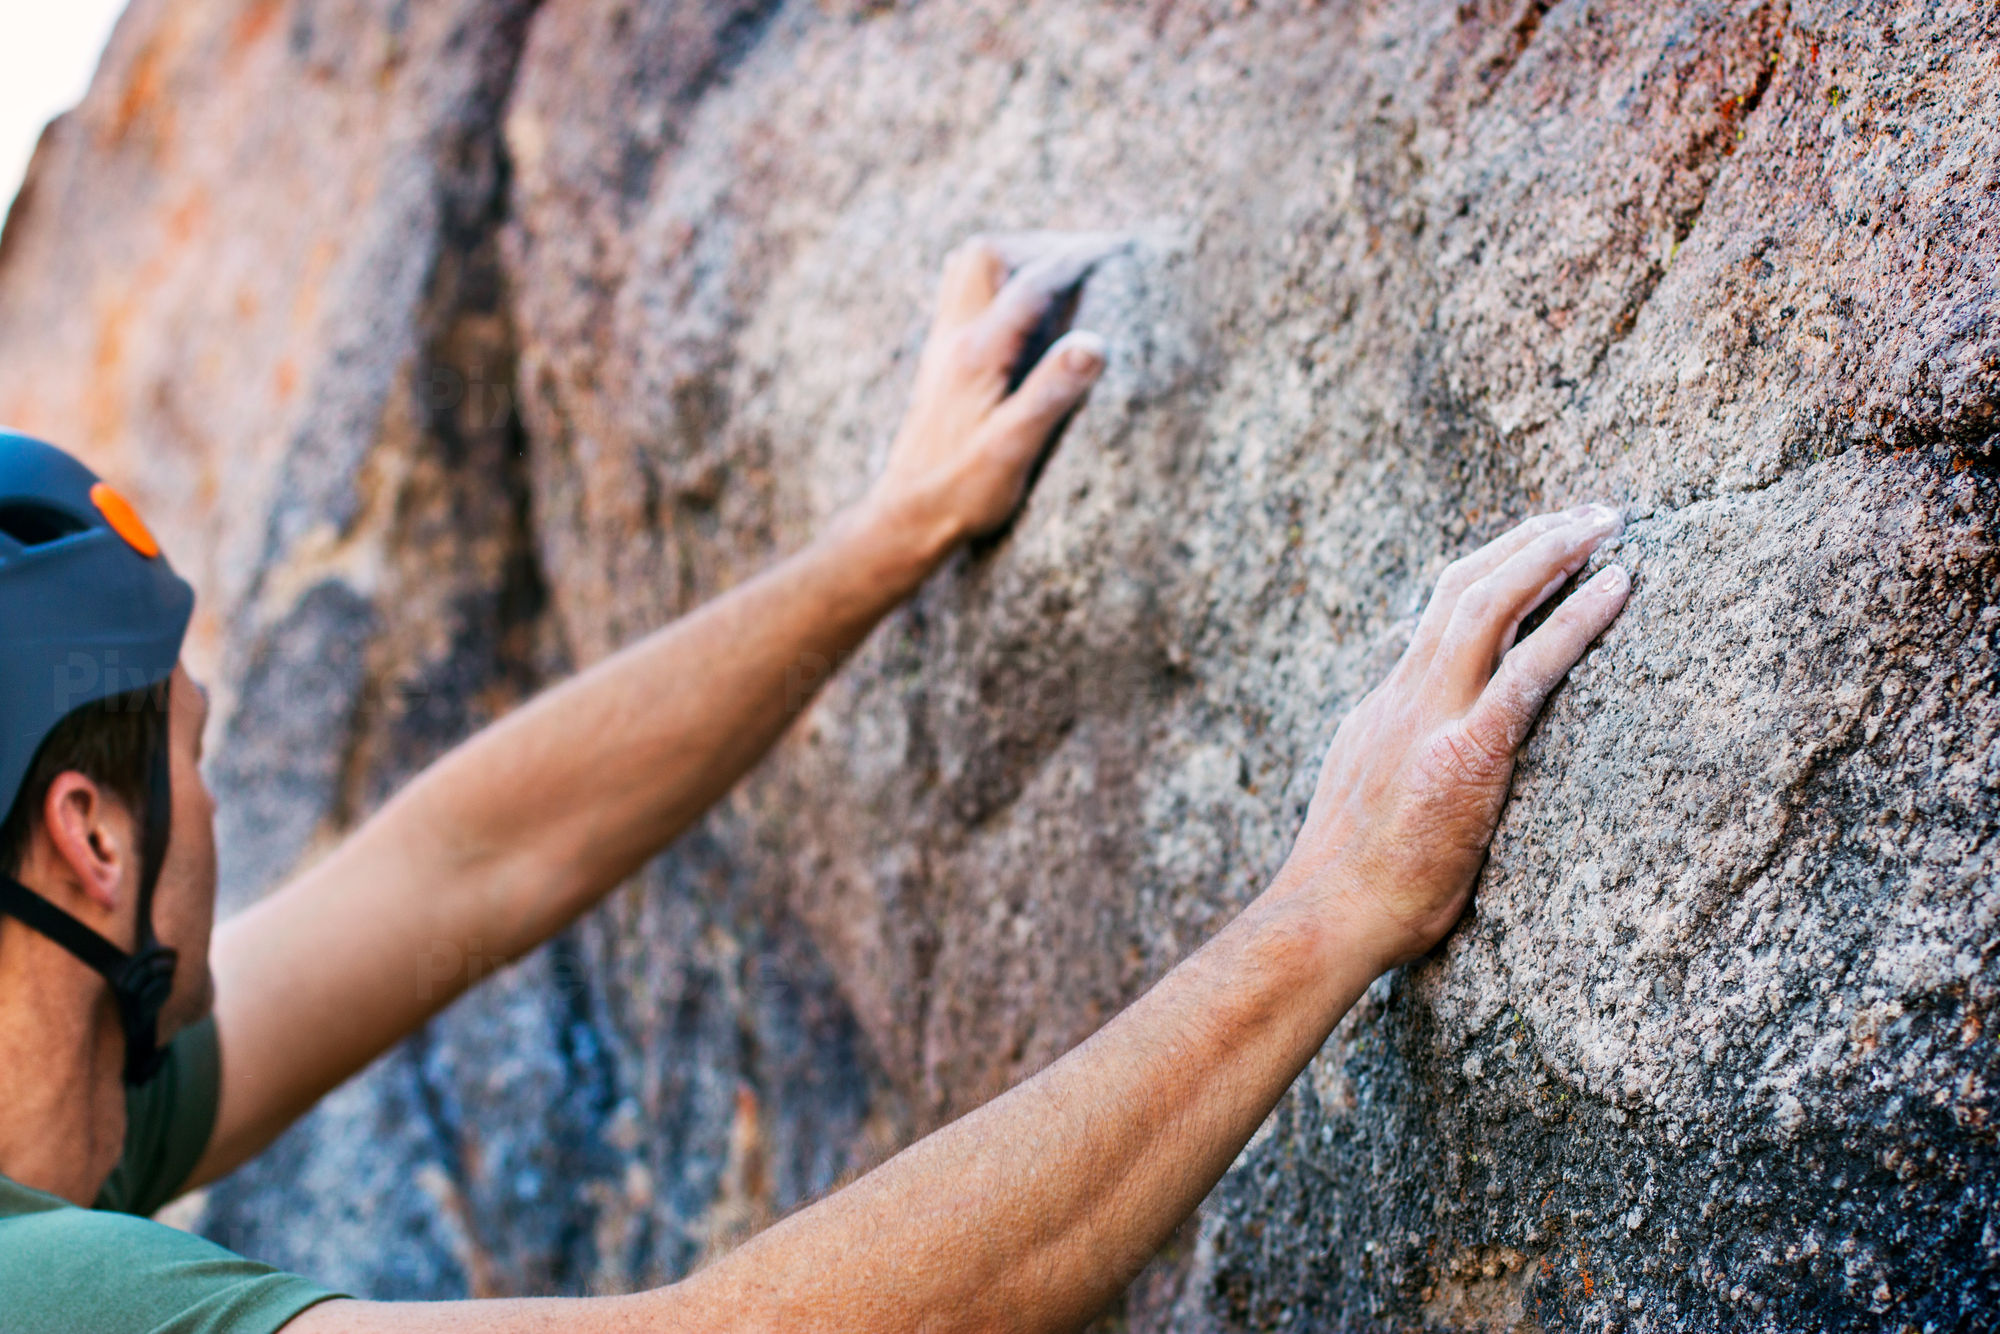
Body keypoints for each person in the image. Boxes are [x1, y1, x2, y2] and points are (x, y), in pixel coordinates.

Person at [0, 233, 1629, 1333]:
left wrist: (884, 538)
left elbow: (466, 863)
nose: (214, 800)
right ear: (90, 841)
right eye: (192, 753)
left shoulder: (74, 1108)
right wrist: (1329, 907)